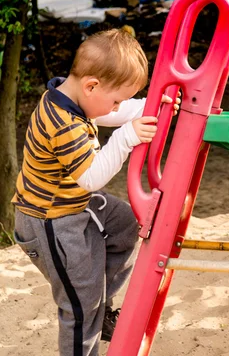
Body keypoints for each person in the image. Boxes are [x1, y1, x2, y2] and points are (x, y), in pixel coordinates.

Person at [11, 28, 179, 356]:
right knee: (79, 306)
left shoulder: (73, 95)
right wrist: (125, 137)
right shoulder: (63, 122)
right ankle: (91, 315)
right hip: (48, 222)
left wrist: (149, 107)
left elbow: (109, 110)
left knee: (126, 224)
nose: (118, 106)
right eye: (117, 98)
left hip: (74, 204)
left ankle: (99, 311)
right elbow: (91, 177)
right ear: (91, 85)